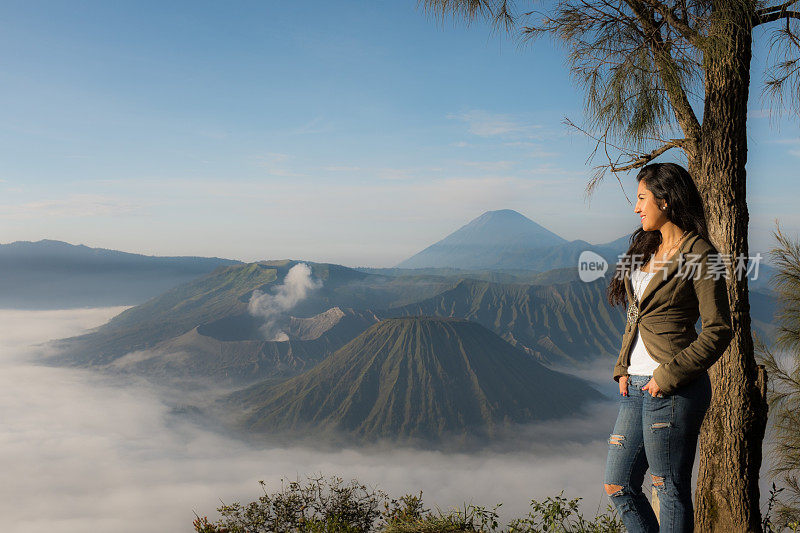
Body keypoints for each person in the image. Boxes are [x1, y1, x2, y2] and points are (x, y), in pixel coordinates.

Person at [602, 162, 734, 532]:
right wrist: (622, 367)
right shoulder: (648, 247)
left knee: (669, 488)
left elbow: (719, 329)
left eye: (641, 198)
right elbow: (636, 314)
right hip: (636, 386)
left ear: (665, 199)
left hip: (671, 388)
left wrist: (667, 376)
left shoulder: (700, 254)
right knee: (618, 485)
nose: (636, 207)